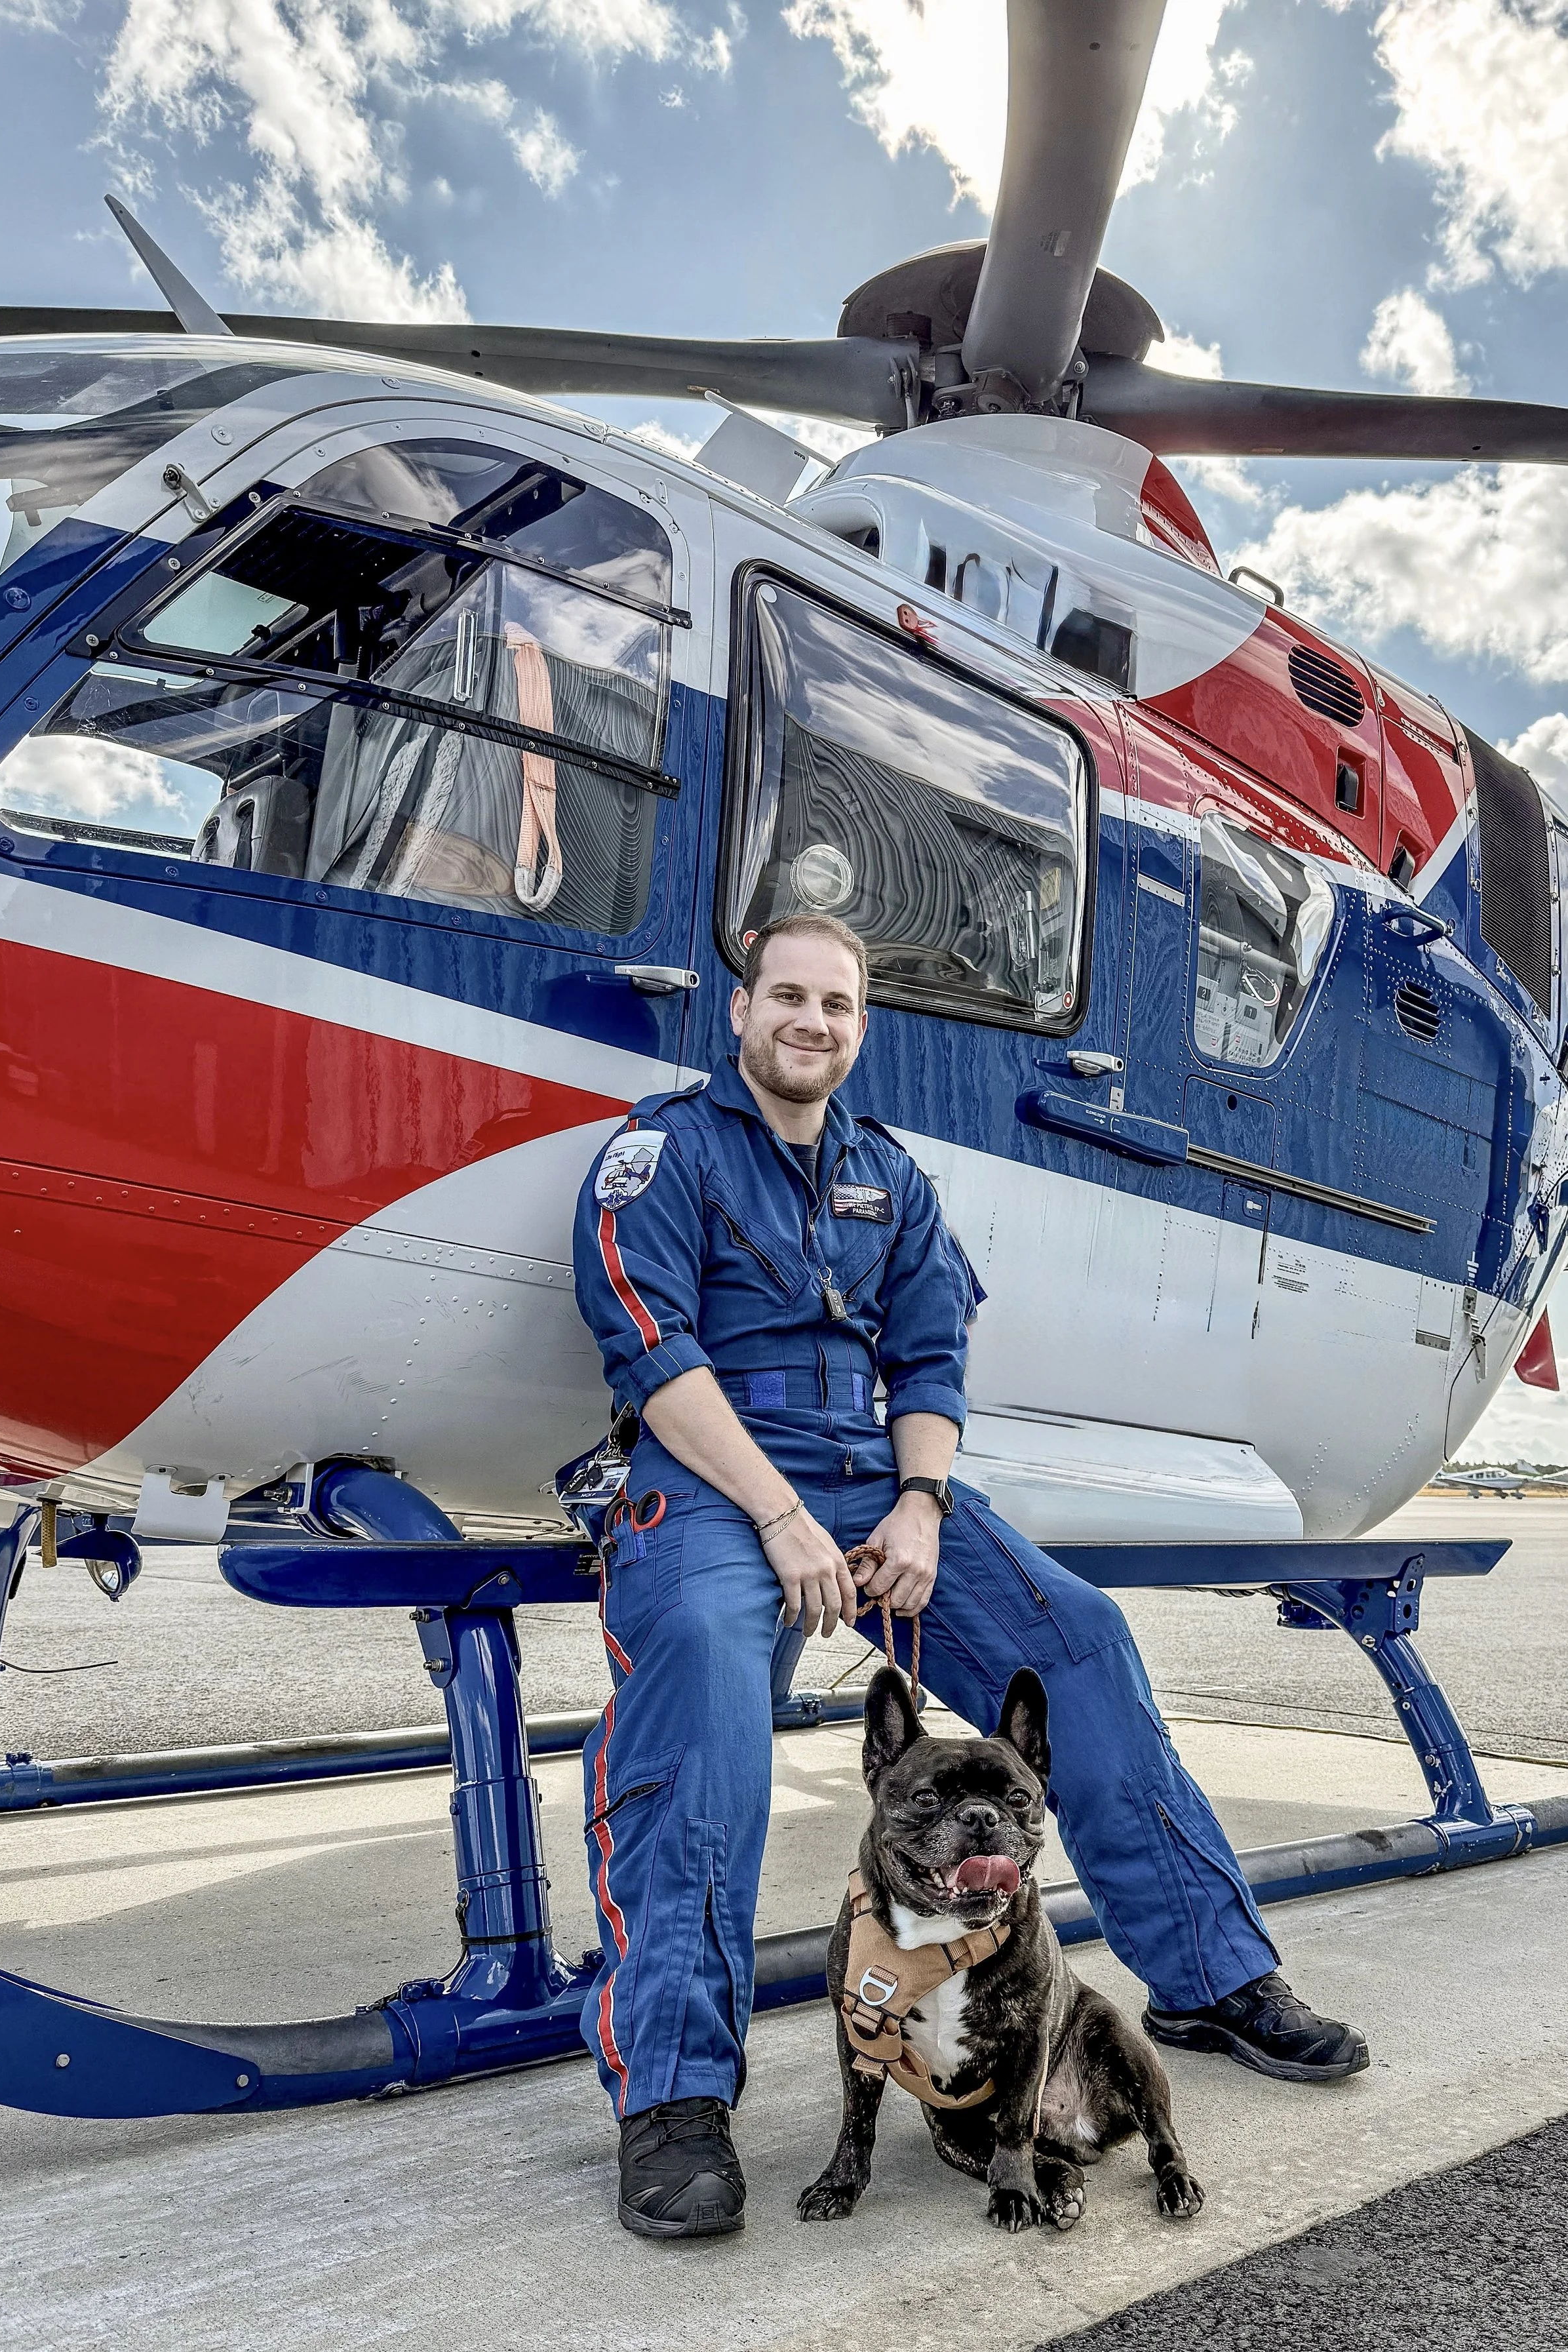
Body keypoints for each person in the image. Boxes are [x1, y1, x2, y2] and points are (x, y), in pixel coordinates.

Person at [572, 912, 1366, 2242]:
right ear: (739, 1011)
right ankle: (672, 2096)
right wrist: (776, 1515)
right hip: (712, 1476)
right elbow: (648, 1350)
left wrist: (921, 1504)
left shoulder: (889, 1172)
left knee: (1077, 1635)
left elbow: (930, 1356)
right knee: (707, 1684)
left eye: (836, 1002)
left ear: (859, 1025)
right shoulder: (662, 1152)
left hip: (873, 1478)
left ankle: (1207, 1974)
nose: (810, 1022)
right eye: (787, 996)